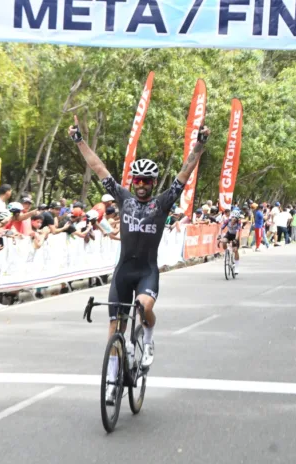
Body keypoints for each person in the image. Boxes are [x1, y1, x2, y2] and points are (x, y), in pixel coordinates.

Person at [69, 115, 209, 404]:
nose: (142, 184)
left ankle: (148, 338)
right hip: (123, 272)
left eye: (147, 180)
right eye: (138, 180)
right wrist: (80, 141)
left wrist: (200, 145)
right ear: (133, 181)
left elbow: (186, 170)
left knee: (144, 307)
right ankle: (111, 382)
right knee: (113, 331)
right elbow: (97, 167)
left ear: (154, 182)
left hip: (146, 271)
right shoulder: (122, 198)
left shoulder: (163, 202)